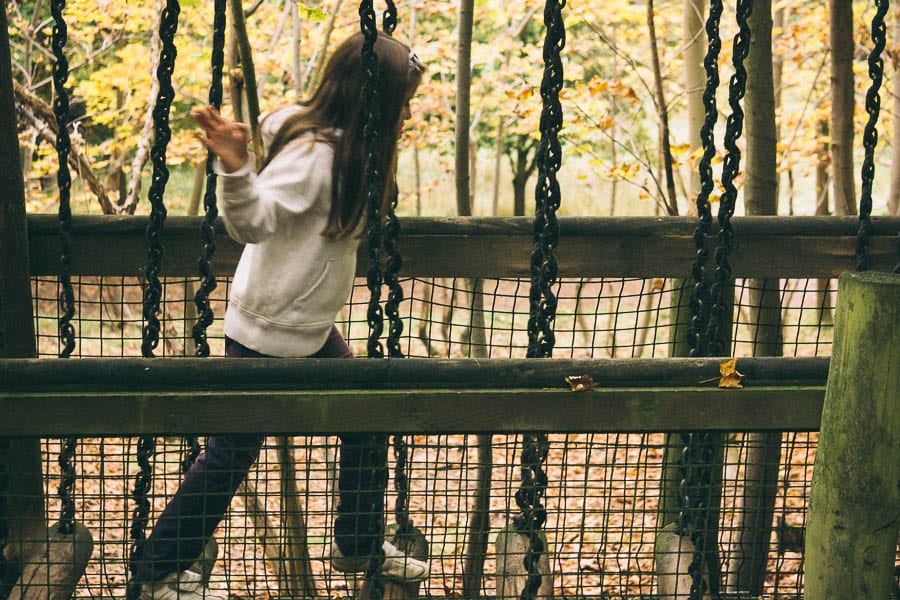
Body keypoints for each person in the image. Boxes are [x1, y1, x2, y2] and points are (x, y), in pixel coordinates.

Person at [136, 31, 428, 599]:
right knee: (230, 455)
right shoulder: (319, 157)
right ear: (375, 99)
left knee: (365, 419)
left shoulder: (339, 144)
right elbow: (253, 224)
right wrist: (236, 165)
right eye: (403, 98)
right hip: (270, 334)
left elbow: (284, 144)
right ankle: (156, 571)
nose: (409, 110)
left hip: (304, 327)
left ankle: (357, 543)